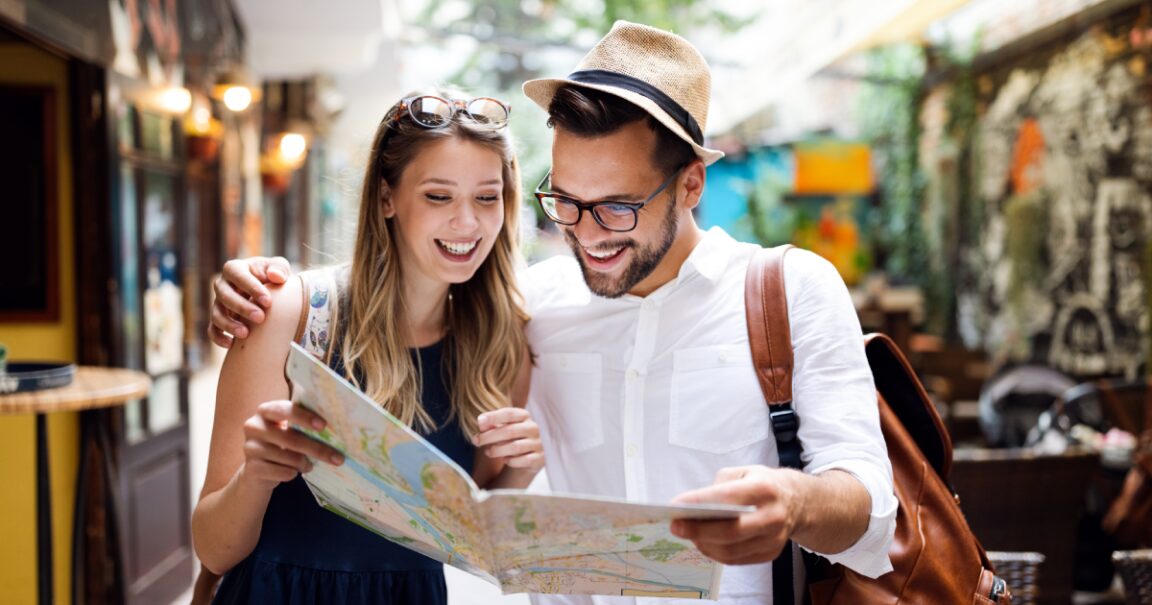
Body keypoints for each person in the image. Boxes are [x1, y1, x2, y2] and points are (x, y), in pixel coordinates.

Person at [208, 21, 897, 604]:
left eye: (618, 207)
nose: (588, 234)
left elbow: (869, 499)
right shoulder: (529, 307)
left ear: (691, 183)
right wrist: (253, 284)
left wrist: (795, 503)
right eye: (564, 201)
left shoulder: (788, 289)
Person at [192, 88, 544, 604]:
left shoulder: (503, 340)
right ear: (386, 198)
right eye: (438, 196)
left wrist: (522, 467)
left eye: (487, 197)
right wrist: (256, 476)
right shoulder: (290, 314)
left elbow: (468, 534)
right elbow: (213, 550)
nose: (467, 223)